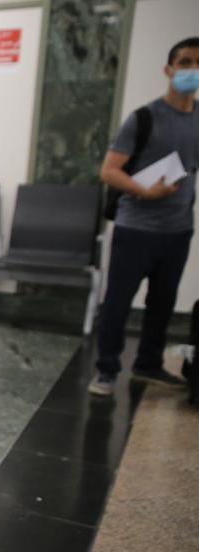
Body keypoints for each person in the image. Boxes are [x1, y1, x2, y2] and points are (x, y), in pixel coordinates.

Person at [91, 36, 199, 396]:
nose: (191, 70)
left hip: (178, 229)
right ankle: (106, 370)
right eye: (185, 62)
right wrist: (145, 191)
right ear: (169, 70)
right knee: (118, 302)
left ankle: (148, 365)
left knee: (162, 303)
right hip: (136, 227)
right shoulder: (144, 118)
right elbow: (109, 171)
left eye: (198, 63)